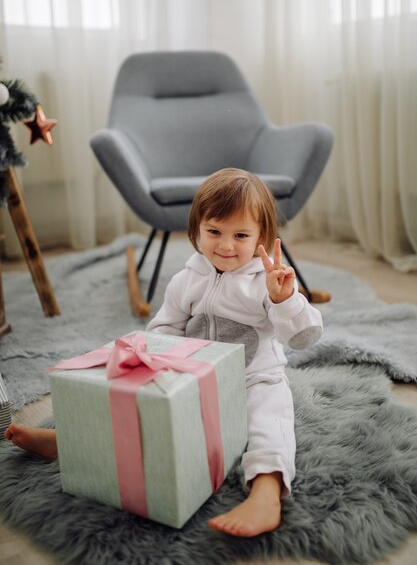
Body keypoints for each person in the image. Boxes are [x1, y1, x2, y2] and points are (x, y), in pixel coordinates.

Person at [5, 168, 323, 538]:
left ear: (261, 240)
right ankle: (72, 441)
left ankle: (266, 493)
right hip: (192, 377)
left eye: (241, 235)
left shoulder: (265, 284)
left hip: (254, 378)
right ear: (196, 231)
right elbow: (164, 330)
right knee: (138, 404)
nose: (225, 245)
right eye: (214, 232)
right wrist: (156, 364)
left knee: (269, 421)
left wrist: (284, 299)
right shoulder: (186, 279)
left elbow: (303, 337)